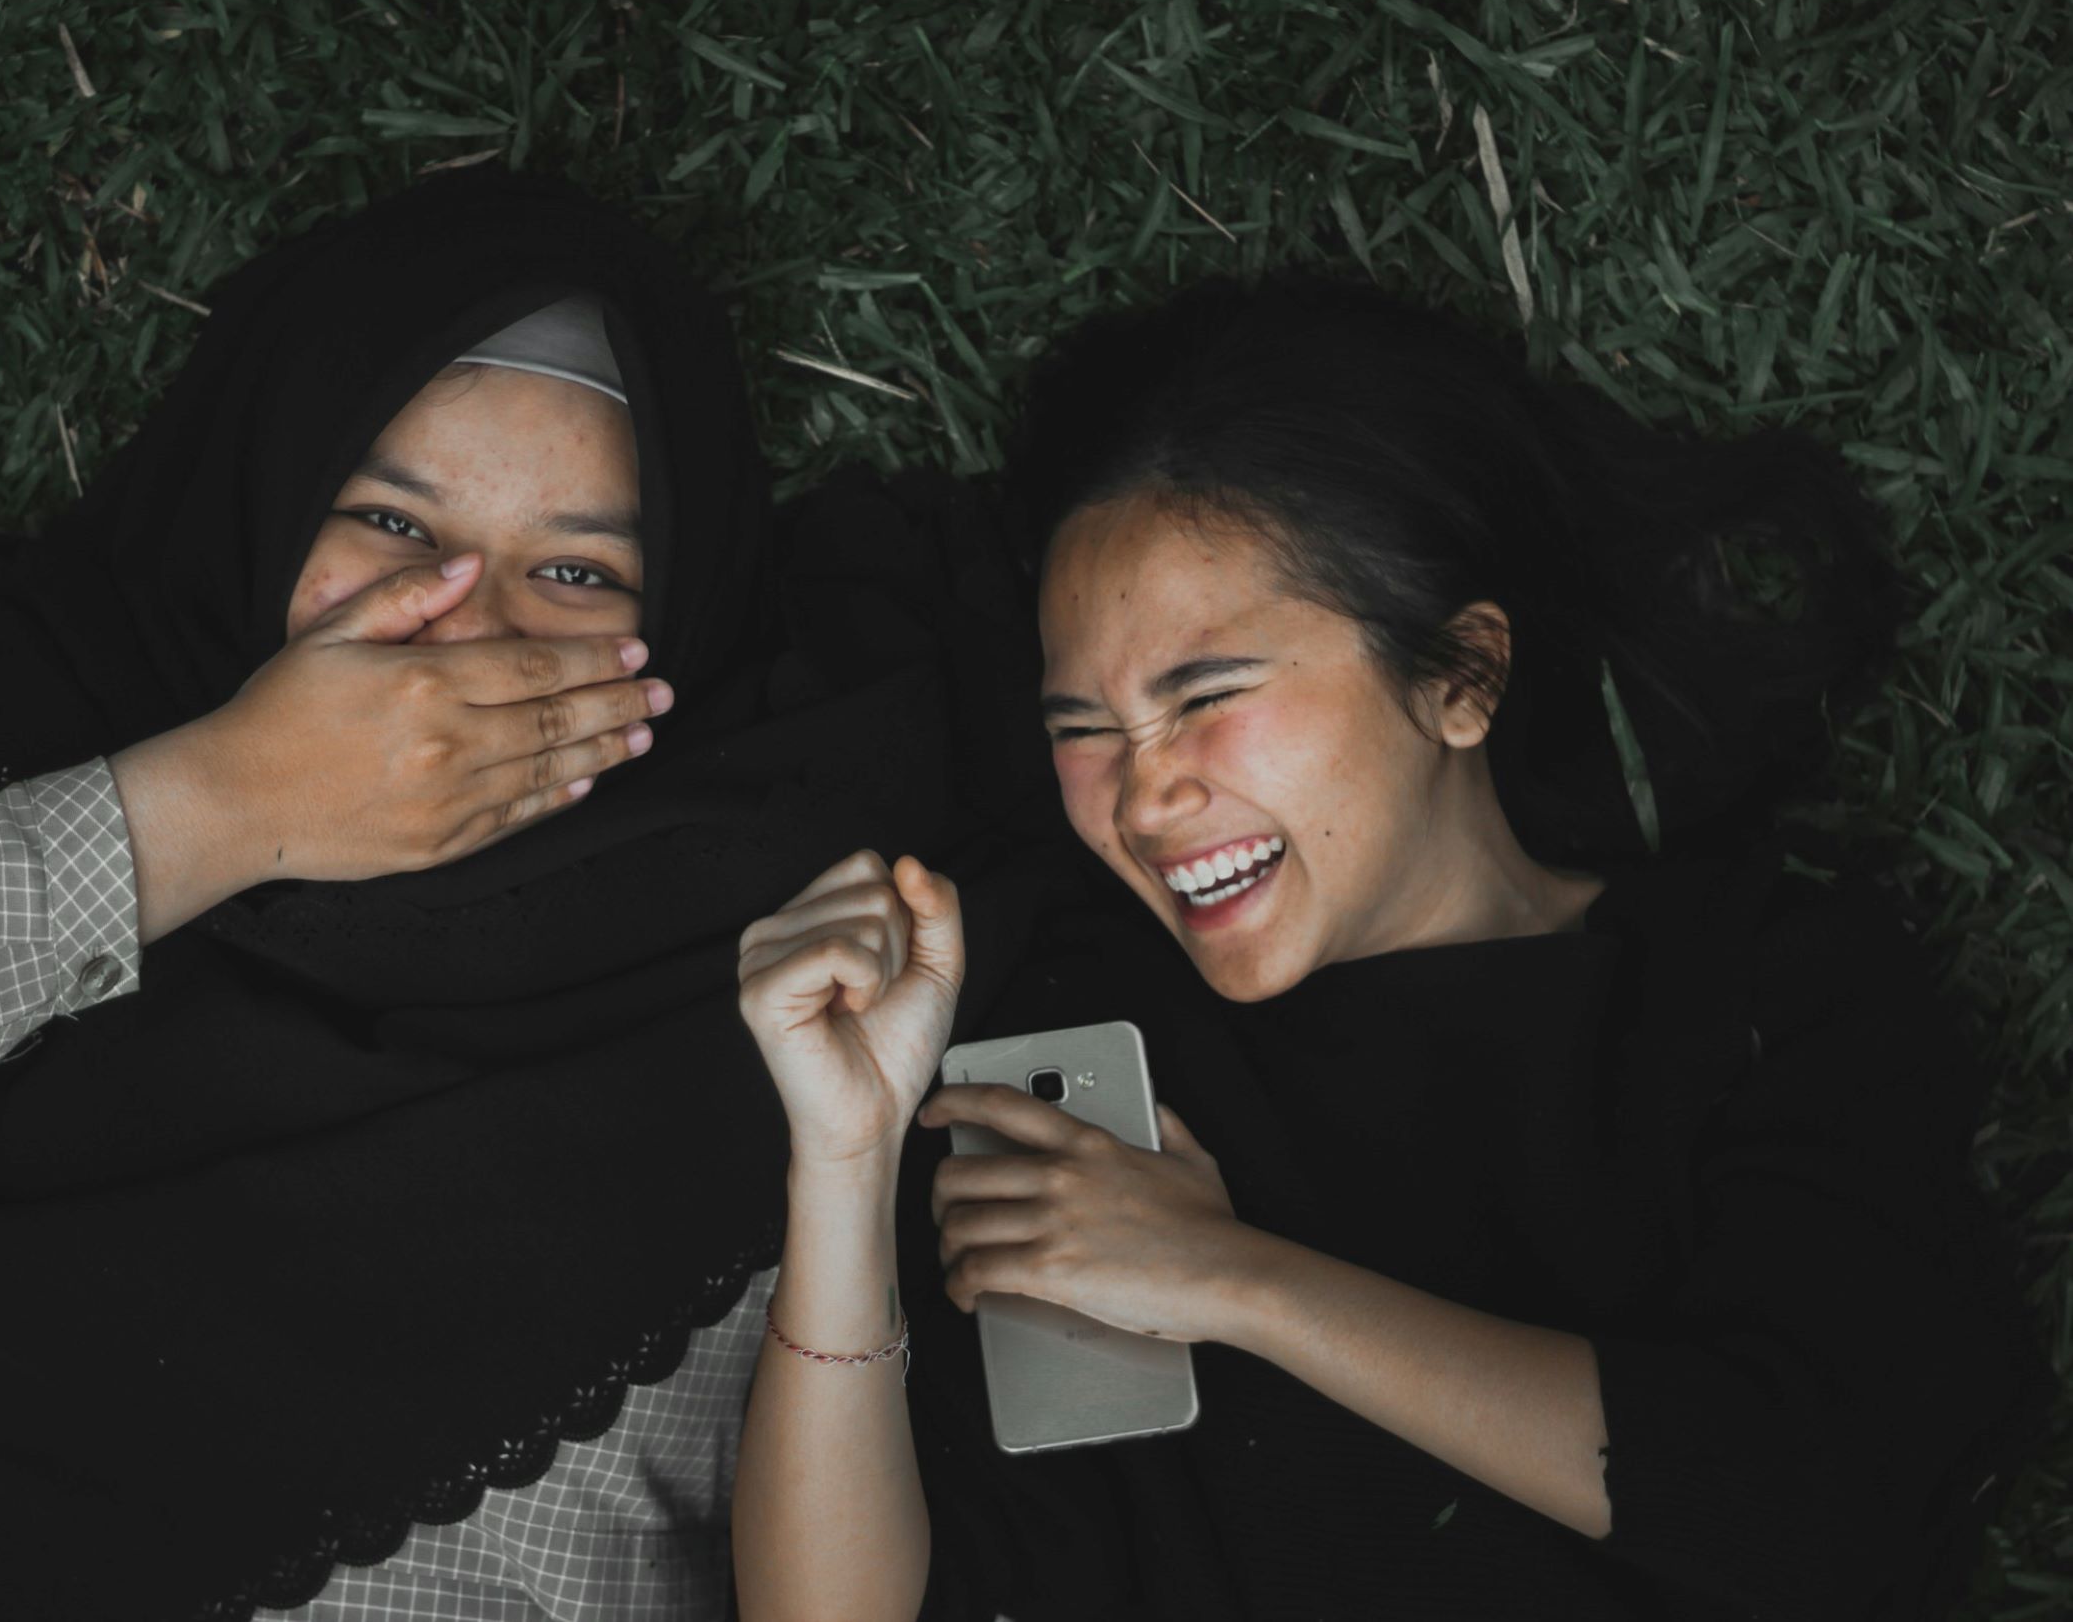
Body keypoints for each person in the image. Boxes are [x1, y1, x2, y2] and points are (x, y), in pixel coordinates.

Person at [0, 169, 1043, 1622]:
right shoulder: (24, 738)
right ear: (265, 500)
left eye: (580, 571)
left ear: (680, 623)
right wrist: (228, 801)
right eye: (394, 529)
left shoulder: (769, 933)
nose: (463, 631)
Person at [731, 277, 2047, 1620]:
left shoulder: (1756, 991)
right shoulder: (1074, 1062)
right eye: (1084, 727)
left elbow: (1813, 1515)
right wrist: (844, 1163)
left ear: (1460, 677)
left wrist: (1233, 1279)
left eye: (1207, 696)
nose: (1139, 796)